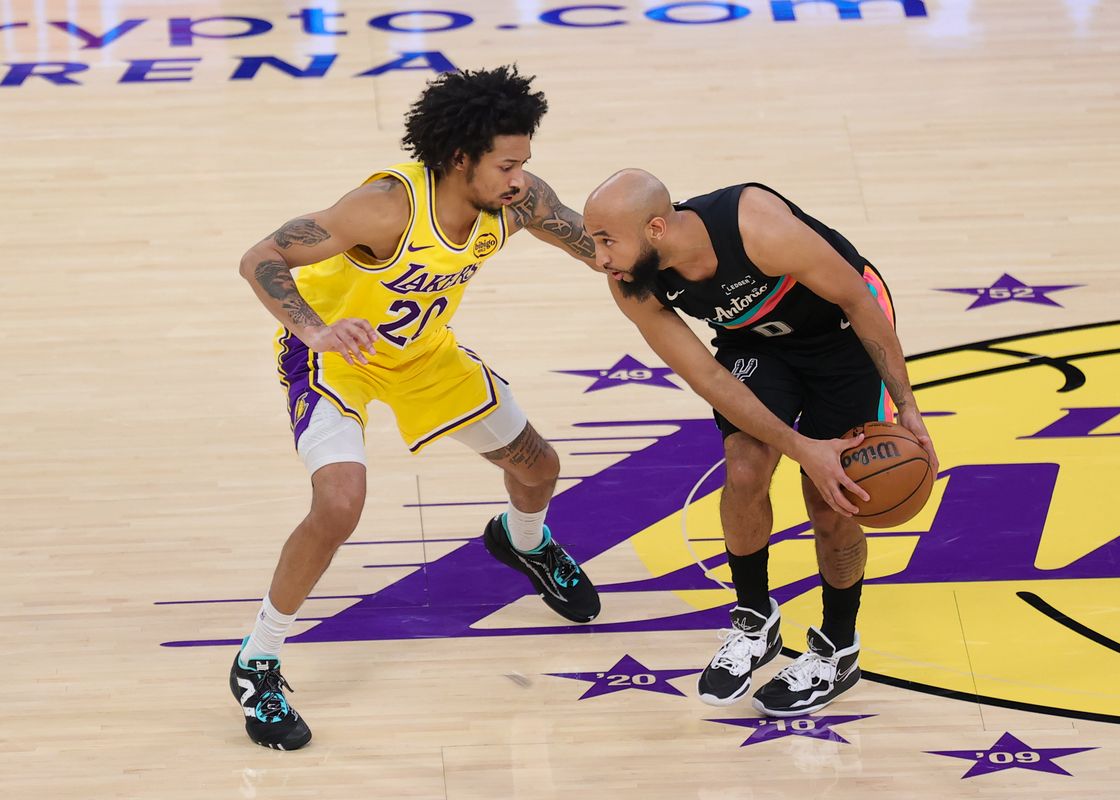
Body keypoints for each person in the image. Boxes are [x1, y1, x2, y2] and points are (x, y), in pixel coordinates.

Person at [231, 66, 600, 750]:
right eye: (507, 163)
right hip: (337, 359)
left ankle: (523, 543)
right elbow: (261, 258)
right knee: (340, 504)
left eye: (525, 162)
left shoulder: (516, 202)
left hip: (424, 357)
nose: (520, 177)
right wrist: (314, 329)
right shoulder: (386, 207)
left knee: (539, 468)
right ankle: (257, 660)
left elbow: (596, 246)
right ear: (460, 158)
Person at [582, 169, 938, 718]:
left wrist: (907, 406)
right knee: (745, 469)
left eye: (607, 240)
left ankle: (838, 647)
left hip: (843, 337)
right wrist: (800, 446)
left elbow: (858, 299)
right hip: (759, 346)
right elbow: (709, 379)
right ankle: (755, 622)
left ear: (656, 228)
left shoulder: (756, 227)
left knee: (833, 496)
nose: (599, 256)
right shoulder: (632, 279)